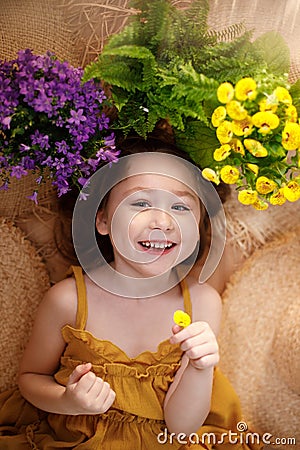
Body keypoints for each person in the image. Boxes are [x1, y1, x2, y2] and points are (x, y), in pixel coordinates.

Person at [0, 137, 262, 449]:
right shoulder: (67, 299)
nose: (162, 222)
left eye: (180, 207)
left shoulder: (202, 303)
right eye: (140, 203)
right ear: (103, 219)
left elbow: (182, 428)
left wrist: (199, 367)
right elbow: (30, 378)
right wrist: (69, 400)